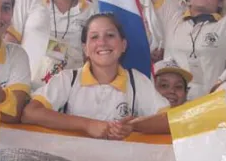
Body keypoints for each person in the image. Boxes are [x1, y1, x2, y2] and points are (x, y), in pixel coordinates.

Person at [22, 13, 170, 138]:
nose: (102, 42)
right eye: (94, 37)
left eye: (110, 35)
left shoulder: (136, 81)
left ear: (123, 45)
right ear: (85, 49)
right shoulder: (68, 79)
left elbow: (168, 120)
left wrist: (134, 125)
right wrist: (87, 125)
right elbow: (30, 113)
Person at [11, 0, 94, 89]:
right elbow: (11, 41)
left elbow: (91, 56)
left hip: (71, 89)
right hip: (25, 86)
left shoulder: (91, 11)